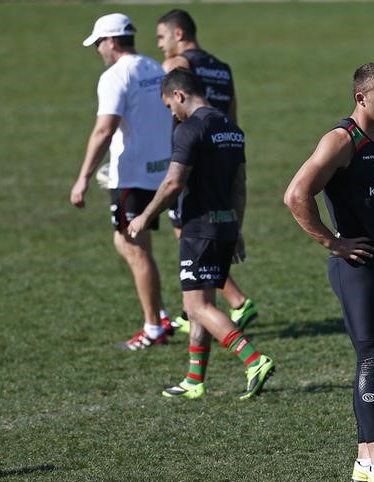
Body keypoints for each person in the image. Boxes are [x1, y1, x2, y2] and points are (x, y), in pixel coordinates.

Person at [284, 62, 374, 482]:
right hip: (356, 267)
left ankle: (365, 459)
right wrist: (333, 242)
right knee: (370, 356)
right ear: (361, 97)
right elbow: (296, 193)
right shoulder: (343, 141)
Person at [127, 68, 274, 400]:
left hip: (199, 229)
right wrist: (237, 227)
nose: (171, 113)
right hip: (224, 226)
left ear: (179, 95)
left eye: (169, 106)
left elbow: (173, 182)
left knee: (196, 307)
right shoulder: (232, 130)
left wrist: (144, 216)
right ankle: (195, 380)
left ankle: (254, 360)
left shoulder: (189, 129)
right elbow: (240, 186)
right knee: (201, 302)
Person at [71, 13, 174, 350]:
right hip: (160, 171)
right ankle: (159, 315)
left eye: (99, 42)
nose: (99, 49)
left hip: (131, 175)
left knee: (132, 246)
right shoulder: (154, 68)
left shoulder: (115, 76)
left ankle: (153, 326)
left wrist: (83, 177)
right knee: (132, 244)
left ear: (112, 41)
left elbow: (104, 129)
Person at [155, 9, 257, 335]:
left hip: (189, 156)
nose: (160, 45)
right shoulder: (223, 69)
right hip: (224, 152)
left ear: (179, 34)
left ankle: (220, 303)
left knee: (191, 234)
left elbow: (165, 107)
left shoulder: (177, 66)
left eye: (161, 37)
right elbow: (232, 115)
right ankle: (201, 307)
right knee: (201, 234)